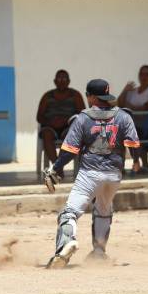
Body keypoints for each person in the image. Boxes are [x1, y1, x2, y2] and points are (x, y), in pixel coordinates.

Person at [43, 78, 140, 268]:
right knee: (103, 210)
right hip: (114, 175)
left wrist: (56, 168)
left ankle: (65, 245)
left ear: (92, 97)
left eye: (88, 95)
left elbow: (70, 150)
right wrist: (136, 161)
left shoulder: (83, 118)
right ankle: (98, 252)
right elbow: (133, 144)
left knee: (69, 214)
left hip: (90, 173)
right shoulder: (124, 116)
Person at [36, 69, 86, 175]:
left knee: (71, 135)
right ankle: (58, 167)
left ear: (68, 81)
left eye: (64, 78)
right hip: (50, 127)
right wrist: (51, 122)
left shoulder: (75, 95)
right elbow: (39, 117)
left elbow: (83, 115)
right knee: (46, 134)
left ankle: (57, 167)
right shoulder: (47, 96)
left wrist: (66, 121)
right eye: (59, 78)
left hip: (68, 127)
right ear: (54, 81)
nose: (62, 81)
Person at [117, 64, 148, 173]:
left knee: (133, 135)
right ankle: (122, 166)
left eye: (147, 74)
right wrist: (125, 91)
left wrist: (129, 106)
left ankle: (138, 164)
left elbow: (143, 110)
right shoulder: (133, 91)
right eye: (142, 74)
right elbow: (120, 104)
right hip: (132, 124)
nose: (144, 77)